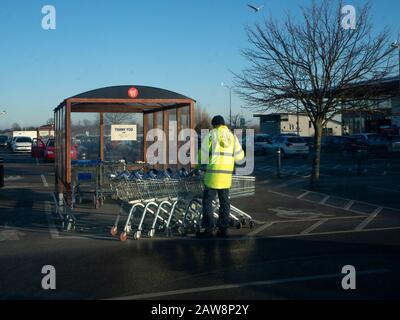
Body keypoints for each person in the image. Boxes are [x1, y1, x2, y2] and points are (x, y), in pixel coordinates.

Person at [196, 115, 245, 238]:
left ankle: (209, 229)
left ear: (214, 125)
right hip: (226, 176)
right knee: (224, 203)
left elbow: (202, 154)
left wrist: (197, 166)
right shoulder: (232, 137)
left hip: (212, 175)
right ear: (224, 124)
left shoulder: (211, 135)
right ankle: (223, 229)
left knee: (207, 202)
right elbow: (240, 157)